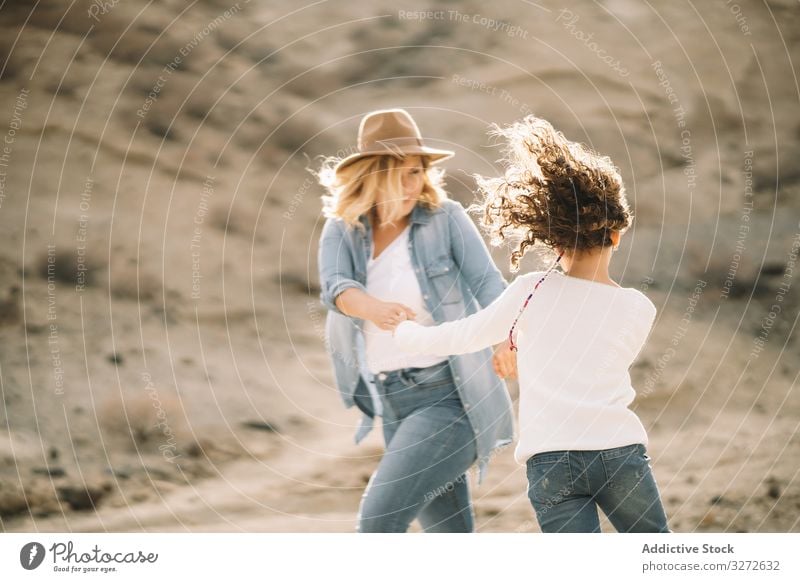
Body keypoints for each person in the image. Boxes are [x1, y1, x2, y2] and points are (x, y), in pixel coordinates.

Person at [392, 115, 670, 533]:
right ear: (616, 235)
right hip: (619, 451)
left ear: (552, 239)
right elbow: (586, 356)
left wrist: (404, 332)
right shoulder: (639, 307)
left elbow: (463, 336)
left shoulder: (530, 290)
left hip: (551, 458)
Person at [316, 108, 516, 533]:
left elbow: (488, 283)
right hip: (392, 401)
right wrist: (373, 308)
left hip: (451, 396)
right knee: (450, 537)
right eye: (403, 174)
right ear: (373, 175)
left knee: (377, 522)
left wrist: (507, 339)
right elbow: (336, 287)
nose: (415, 184)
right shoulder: (343, 229)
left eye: (418, 172)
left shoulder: (444, 219)